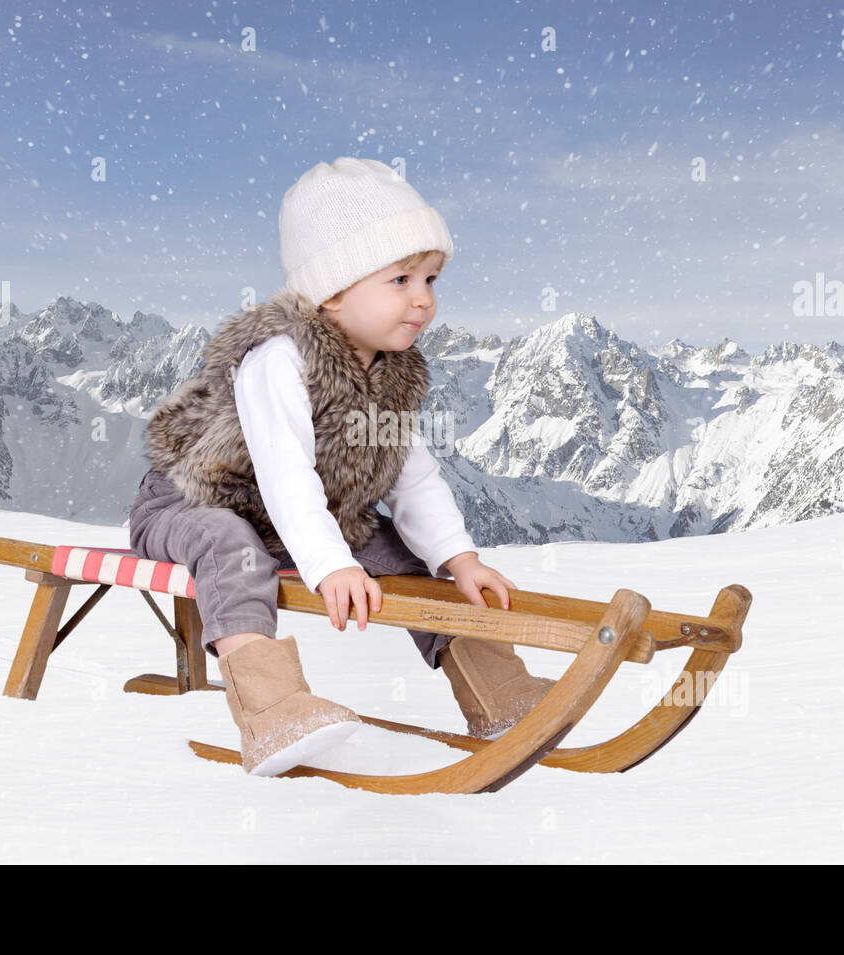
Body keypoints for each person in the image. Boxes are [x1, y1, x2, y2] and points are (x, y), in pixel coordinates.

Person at [129, 156, 554, 776]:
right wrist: (331, 565)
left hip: (302, 520)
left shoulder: (391, 375)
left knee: (409, 559)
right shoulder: (279, 359)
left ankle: (502, 696)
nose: (424, 301)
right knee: (232, 548)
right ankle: (272, 711)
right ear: (331, 291)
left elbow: (414, 479)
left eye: (432, 280)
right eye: (402, 280)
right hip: (193, 502)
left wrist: (458, 558)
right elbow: (283, 474)